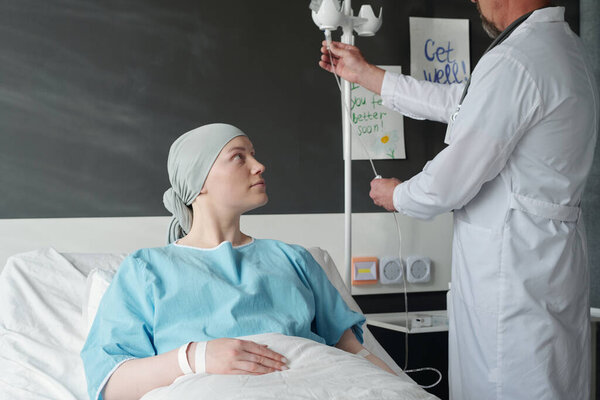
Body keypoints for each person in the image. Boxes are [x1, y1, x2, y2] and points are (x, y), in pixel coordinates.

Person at [319, 1, 598, 399]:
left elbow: (453, 178)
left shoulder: (518, 61)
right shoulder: (562, 48)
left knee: (509, 384)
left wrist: (399, 194)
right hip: (547, 266)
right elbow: (465, 106)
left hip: (513, 277)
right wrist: (370, 77)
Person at [80, 123, 394, 400]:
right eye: (239, 157)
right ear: (198, 179)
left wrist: (401, 389)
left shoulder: (294, 258)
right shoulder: (147, 269)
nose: (259, 166)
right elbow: (111, 383)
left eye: (254, 155)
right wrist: (197, 357)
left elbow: (352, 351)